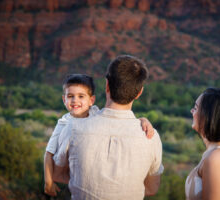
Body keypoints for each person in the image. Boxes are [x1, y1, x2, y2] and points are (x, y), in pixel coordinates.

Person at [53, 55, 164, 200]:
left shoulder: (73, 127)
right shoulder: (151, 137)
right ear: (139, 93)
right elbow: (151, 188)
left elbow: (56, 173)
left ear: (107, 85)